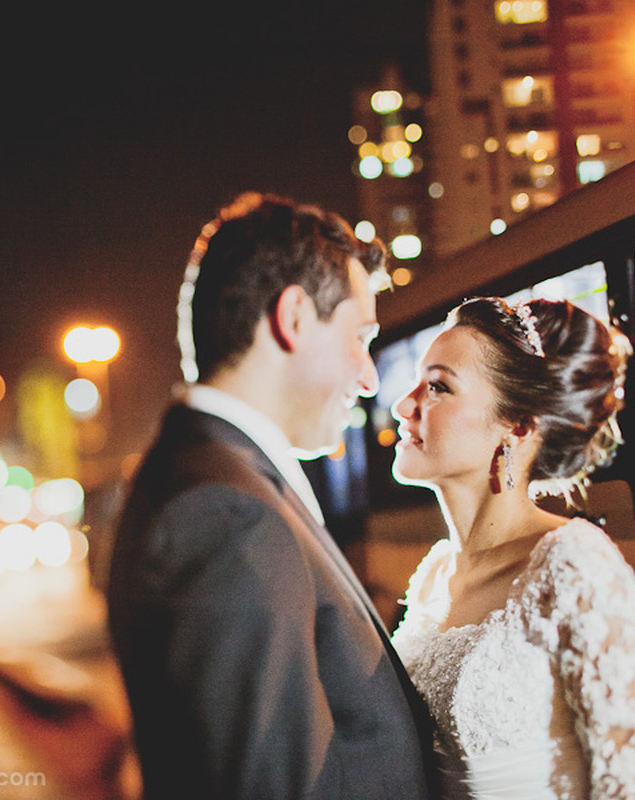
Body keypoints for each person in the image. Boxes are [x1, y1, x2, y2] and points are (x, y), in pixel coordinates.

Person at [106, 193, 436, 799]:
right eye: (360, 337)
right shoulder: (225, 513)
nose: (369, 376)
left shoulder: (214, 478)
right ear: (294, 318)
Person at [390, 297, 635, 799]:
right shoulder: (435, 572)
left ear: (518, 426)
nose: (404, 404)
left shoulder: (572, 567)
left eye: (438, 386)